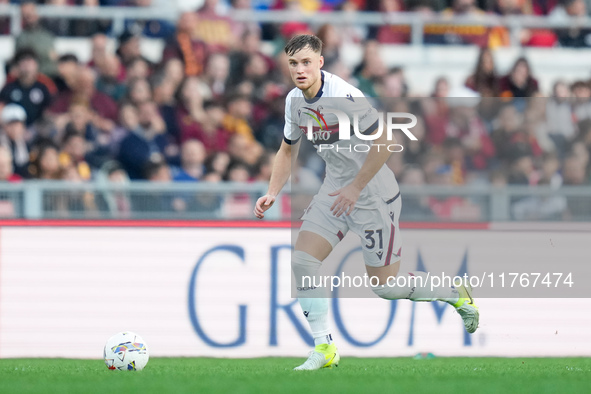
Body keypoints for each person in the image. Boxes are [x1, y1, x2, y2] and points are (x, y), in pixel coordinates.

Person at [253, 35, 479, 371]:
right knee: (302, 261)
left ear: (320, 63)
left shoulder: (344, 96)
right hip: (335, 190)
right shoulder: (293, 102)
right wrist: (273, 191)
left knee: (386, 287)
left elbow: (387, 141)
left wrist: (356, 189)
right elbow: (287, 149)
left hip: (373, 194)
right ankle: (324, 347)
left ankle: (453, 291)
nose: (299, 70)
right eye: (293, 64)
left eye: (306, 62)